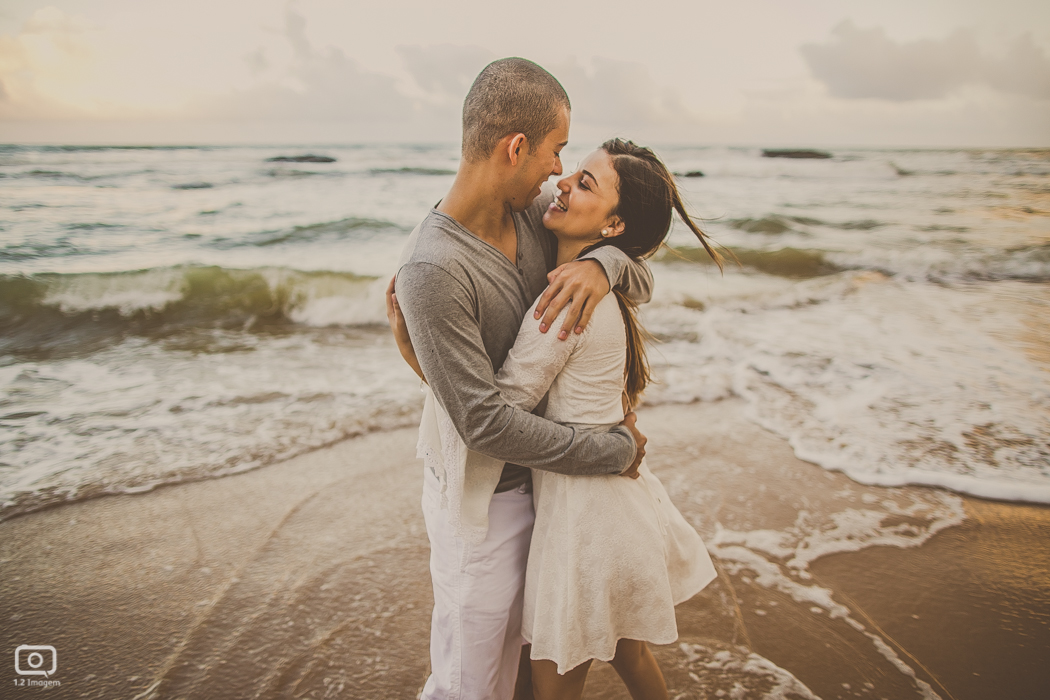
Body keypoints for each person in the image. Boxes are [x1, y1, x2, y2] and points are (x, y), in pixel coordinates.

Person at [393, 139, 721, 699]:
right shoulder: (565, 254)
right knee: (627, 653)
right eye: (566, 162)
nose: (562, 178)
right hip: (616, 510)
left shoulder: (562, 304)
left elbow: (498, 410)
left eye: (584, 180)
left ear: (614, 224)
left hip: (582, 522)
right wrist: (605, 260)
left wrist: (414, 349)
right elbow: (637, 266)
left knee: (552, 683)